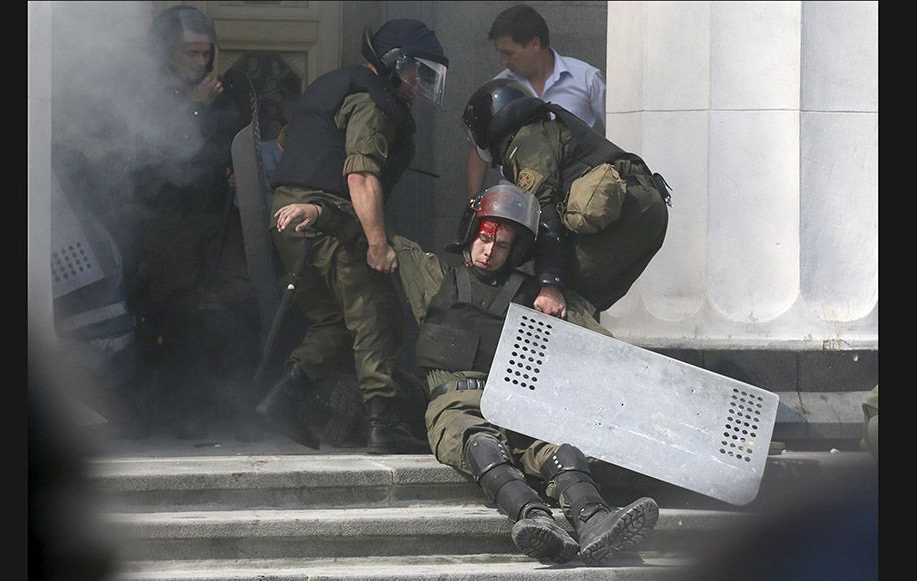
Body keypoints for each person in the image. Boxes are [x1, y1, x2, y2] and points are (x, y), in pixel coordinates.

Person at [388, 184, 659, 565]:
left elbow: (609, 350)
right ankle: (534, 519)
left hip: (516, 400)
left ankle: (596, 519)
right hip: (456, 403)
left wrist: (554, 288)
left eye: (501, 245)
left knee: (559, 448)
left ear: (514, 251)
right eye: (484, 238)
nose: (489, 250)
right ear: (472, 233)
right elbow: (381, 241)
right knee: (482, 445)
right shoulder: (435, 278)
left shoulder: (533, 297)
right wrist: (319, 210)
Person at [254, 19, 449, 454]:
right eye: (416, 73)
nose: (418, 86)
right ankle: (383, 422)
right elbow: (361, 173)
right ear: (395, 64)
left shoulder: (333, 85)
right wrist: (377, 244)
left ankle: (285, 396)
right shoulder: (372, 101)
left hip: (288, 217)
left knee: (333, 320)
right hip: (328, 220)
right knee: (374, 314)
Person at [129, 5, 262, 439]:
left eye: (206, 53)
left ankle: (227, 407)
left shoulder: (220, 92)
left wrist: (235, 169)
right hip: (170, 222)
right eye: (190, 54)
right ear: (167, 53)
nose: (200, 63)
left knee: (235, 304)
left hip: (219, 217)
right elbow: (156, 158)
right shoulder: (149, 96)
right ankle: (171, 414)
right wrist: (194, 109)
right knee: (177, 313)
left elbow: (233, 140)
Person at [462, 78, 671, 315]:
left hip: (629, 213)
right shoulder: (547, 129)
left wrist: (550, 284)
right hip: (644, 207)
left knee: (562, 297)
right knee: (584, 302)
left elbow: (545, 215)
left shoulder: (527, 144)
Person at [466, 4, 606, 197]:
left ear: (535, 44)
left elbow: (617, 129)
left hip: (575, 199)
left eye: (509, 53)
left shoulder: (587, 80)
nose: (503, 61)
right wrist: (475, 203)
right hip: (516, 201)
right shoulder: (499, 90)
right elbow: (479, 150)